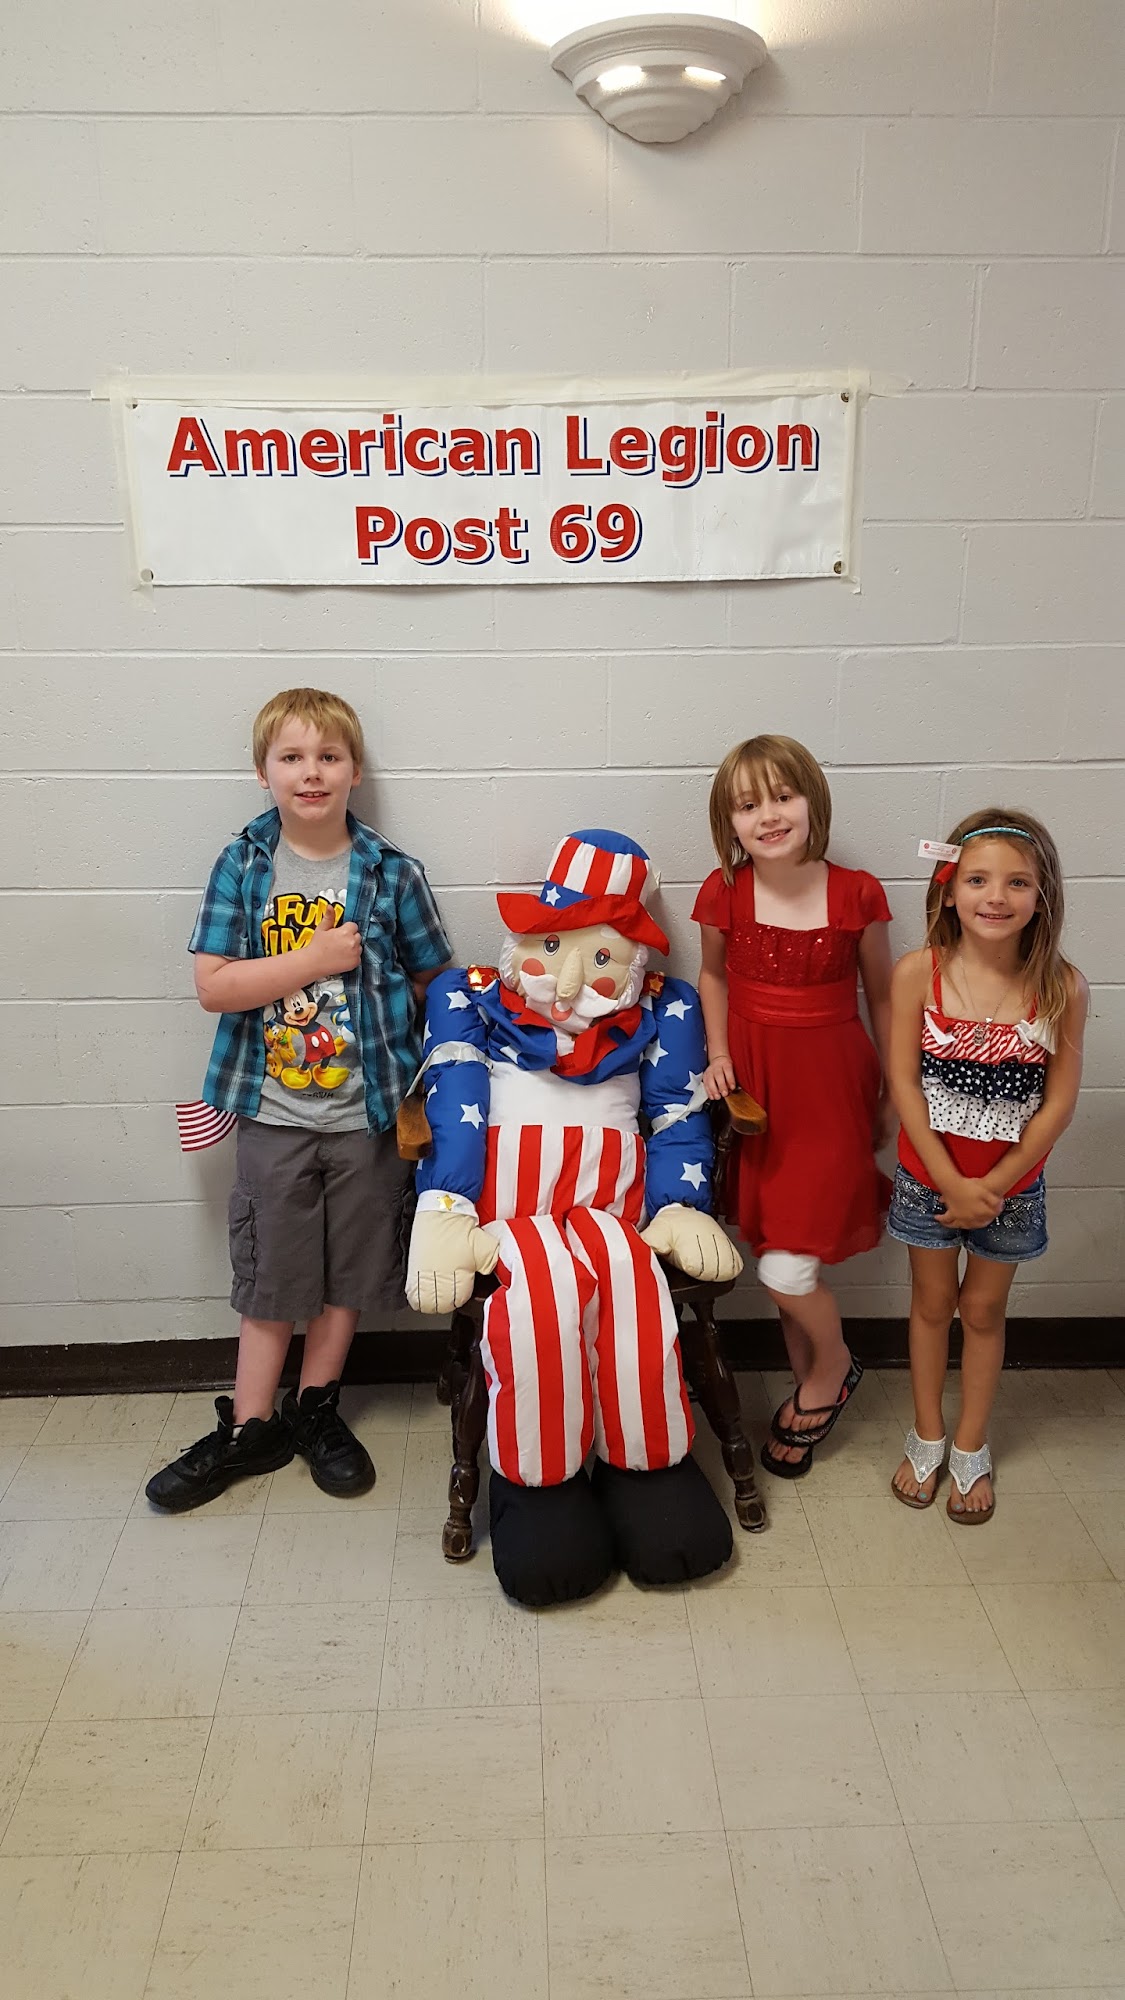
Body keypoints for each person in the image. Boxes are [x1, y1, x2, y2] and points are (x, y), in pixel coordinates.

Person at [406, 828, 742, 1606]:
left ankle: (647, 1466)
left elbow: (676, 1110)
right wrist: (444, 1207)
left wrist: (680, 1205)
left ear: (632, 961)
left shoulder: (663, 1007)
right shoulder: (469, 997)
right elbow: (452, 1101)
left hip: (616, 1216)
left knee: (628, 1283)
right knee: (538, 1300)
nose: (564, 980)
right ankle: (540, 1483)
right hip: (506, 1220)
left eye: (598, 957)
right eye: (551, 946)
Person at [147, 688, 451, 1511]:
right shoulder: (243, 865)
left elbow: (436, 979)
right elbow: (214, 987)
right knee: (272, 1277)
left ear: (354, 771)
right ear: (263, 773)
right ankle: (251, 1426)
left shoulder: (391, 873)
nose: (310, 772)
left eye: (327, 756)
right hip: (274, 1118)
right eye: (291, 757)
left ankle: (315, 1409)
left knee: (350, 1272)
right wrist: (312, 962)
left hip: (366, 1118)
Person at [693, 734, 893, 1479]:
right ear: (729, 821)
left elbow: (882, 997)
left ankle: (832, 1366)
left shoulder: (856, 892)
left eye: (783, 796)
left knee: (787, 1267)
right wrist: (719, 1053)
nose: (768, 816)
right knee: (777, 1242)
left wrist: (892, 1093)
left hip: (832, 1088)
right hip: (755, 1091)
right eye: (748, 805)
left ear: (813, 800)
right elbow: (713, 977)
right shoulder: (723, 892)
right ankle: (812, 1383)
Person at [888, 810, 1087, 1523]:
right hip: (928, 1181)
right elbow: (903, 1082)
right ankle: (927, 1433)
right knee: (931, 1303)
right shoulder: (918, 973)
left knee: (981, 1310)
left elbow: (1057, 1105)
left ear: (1042, 895)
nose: (995, 896)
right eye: (977, 880)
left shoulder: (1062, 986)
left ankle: (971, 1443)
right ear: (948, 890)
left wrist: (993, 1189)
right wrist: (949, 1182)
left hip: (1011, 1191)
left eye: (1016, 882)